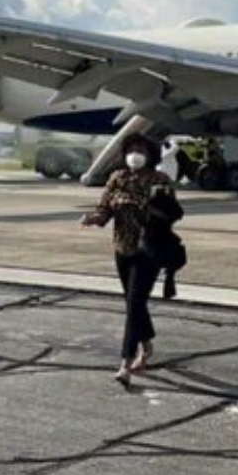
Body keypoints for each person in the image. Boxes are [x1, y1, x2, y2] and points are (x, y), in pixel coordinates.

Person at [81, 133, 176, 388]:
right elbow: (105, 210)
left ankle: (126, 362)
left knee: (135, 302)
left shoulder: (160, 180)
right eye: (131, 149)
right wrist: (92, 219)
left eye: (141, 149)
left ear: (150, 154)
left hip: (149, 250)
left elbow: (173, 214)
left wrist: (153, 208)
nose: (135, 154)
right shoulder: (117, 178)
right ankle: (146, 343)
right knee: (134, 303)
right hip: (123, 249)